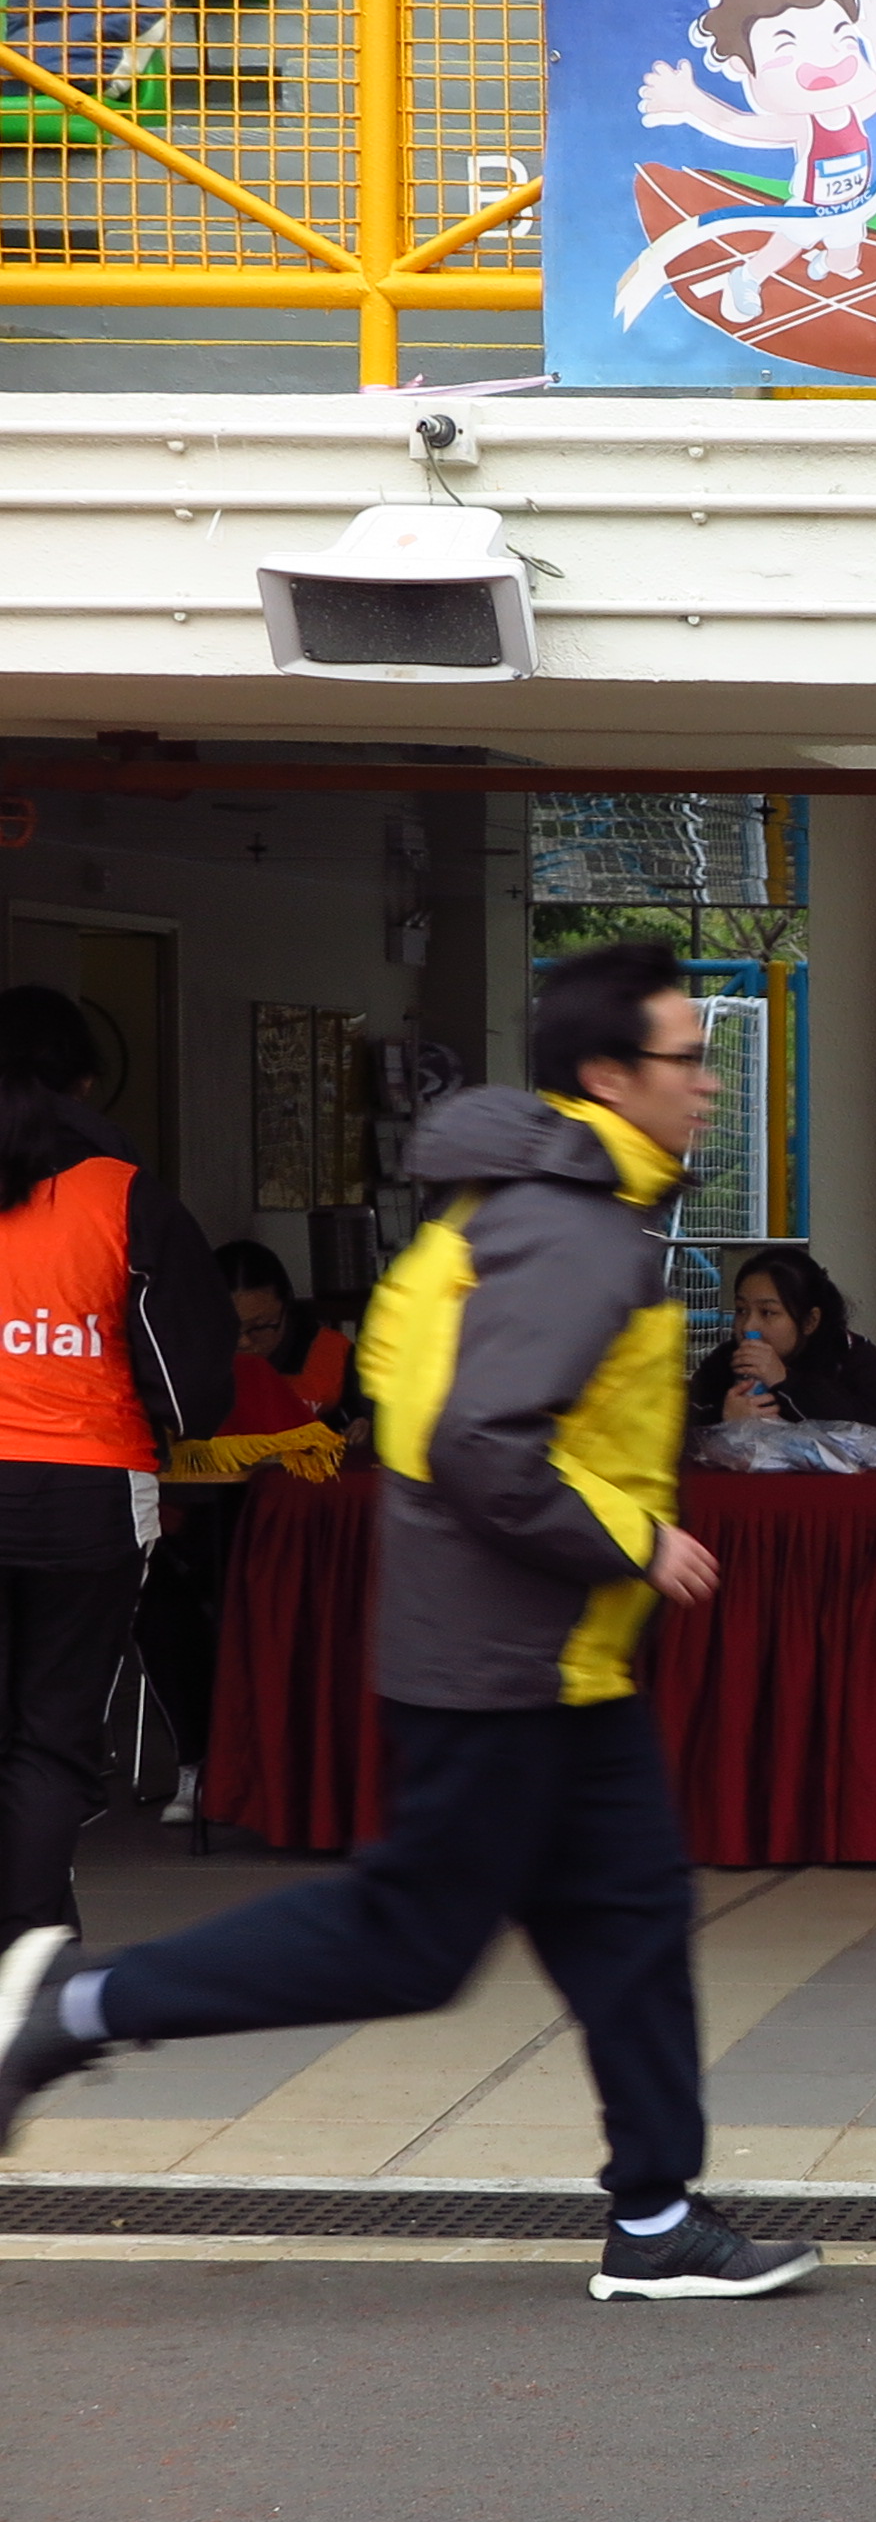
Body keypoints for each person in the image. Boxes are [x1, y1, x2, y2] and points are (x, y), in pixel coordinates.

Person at [0, 943, 823, 2305]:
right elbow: (480, 1442)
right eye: (686, 1059)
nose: (708, 1084)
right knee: (408, 1941)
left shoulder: (529, 1206)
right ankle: (75, 2009)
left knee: (628, 1918)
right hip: (502, 1660)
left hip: (555, 1658)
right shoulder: (571, 1234)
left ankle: (658, 2213)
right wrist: (634, 1539)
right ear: (606, 1075)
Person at [0, 986, 234, 1932]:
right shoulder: (123, 1193)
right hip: (87, 1496)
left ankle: (36, 1938)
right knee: (51, 1736)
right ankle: (28, 1954)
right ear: (86, 1083)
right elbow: (191, 1380)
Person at [685, 1243, 876, 1431]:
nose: (748, 1326)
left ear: (810, 1321)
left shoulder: (849, 1355)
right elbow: (681, 1420)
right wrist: (723, 1419)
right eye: (741, 1310)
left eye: (767, 1312)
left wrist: (785, 1381)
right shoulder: (728, 1358)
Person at [219, 1238, 353, 1419]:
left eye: (260, 1326)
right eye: (228, 1328)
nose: (244, 1342)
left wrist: (364, 1425)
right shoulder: (190, 1363)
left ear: (286, 1307)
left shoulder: (329, 1352)